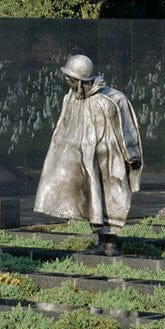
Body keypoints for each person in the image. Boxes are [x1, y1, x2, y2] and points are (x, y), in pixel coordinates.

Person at [34, 54, 142, 256]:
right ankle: (102, 240)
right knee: (92, 199)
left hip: (110, 157)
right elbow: (63, 127)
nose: (67, 81)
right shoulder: (71, 98)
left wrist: (132, 154)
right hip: (85, 159)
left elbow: (127, 129)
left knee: (112, 197)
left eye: (71, 78)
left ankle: (111, 242)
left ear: (83, 80)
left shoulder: (113, 99)